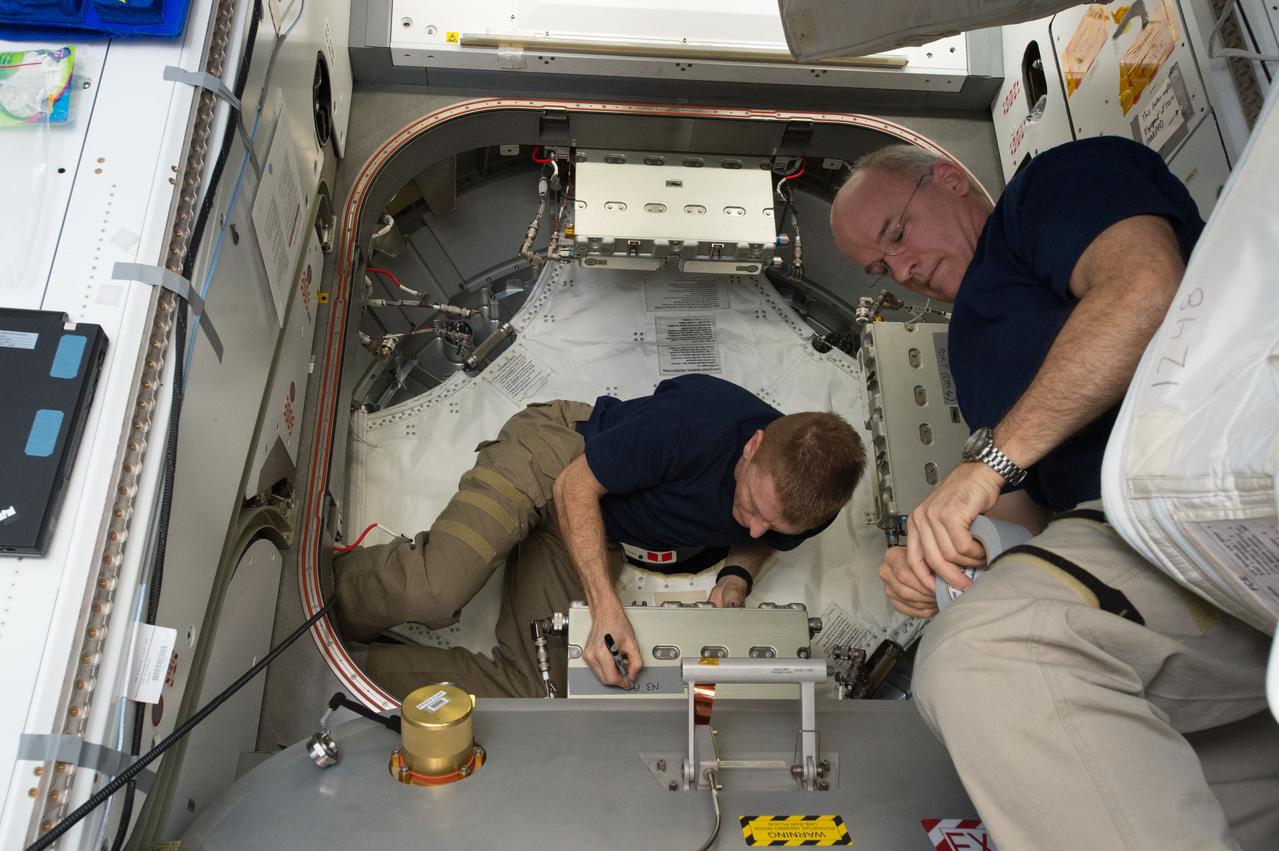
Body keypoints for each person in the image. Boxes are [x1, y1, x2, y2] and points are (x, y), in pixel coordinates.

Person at [830, 139, 1279, 849]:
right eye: (881, 269)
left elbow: (1143, 287)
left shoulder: (1050, 187)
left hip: (1186, 481)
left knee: (984, 652)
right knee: (1129, 779)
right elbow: (1024, 513)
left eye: (896, 236)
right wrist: (944, 558)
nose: (904, 269)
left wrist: (983, 463)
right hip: (1141, 554)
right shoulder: (971, 348)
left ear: (946, 179)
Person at [332, 373, 864, 699]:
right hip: (556, 462)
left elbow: (761, 537)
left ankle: (341, 676)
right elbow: (574, 485)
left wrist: (735, 575)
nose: (751, 527)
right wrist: (605, 606)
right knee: (436, 589)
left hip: (595, 529)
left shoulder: (810, 503)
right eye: (749, 505)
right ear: (752, 446)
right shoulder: (692, 424)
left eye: (774, 524)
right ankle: (310, 606)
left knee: (540, 684)